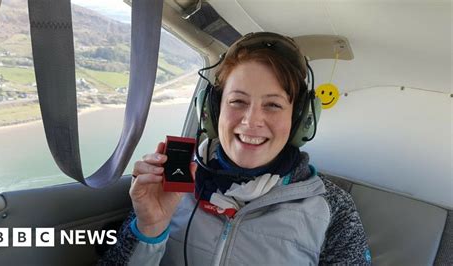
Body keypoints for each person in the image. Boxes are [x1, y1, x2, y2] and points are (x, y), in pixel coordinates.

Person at [98, 32, 371, 265]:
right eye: (238, 101)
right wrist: (149, 229)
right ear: (212, 110)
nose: (251, 121)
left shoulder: (332, 208)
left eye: (273, 105)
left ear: (299, 119)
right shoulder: (171, 181)